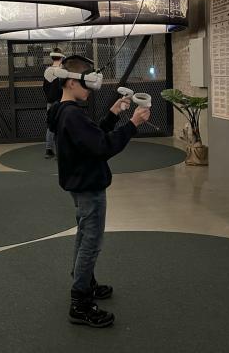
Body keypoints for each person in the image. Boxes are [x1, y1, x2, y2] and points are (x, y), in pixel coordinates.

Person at [47, 55, 150, 328]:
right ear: (71, 82)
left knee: (85, 234)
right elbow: (102, 147)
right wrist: (132, 124)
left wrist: (113, 114)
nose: (91, 90)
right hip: (88, 185)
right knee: (91, 242)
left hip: (79, 182)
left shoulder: (62, 111)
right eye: (87, 84)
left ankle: (85, 280)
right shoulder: (73, 115)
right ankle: (80, 302)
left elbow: (91, 139)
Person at [42, 47, 65, 159]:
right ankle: (60, 151)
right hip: (60, 102)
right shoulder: (62, 72)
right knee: (60, 126)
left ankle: (49, 150)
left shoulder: (47, 71)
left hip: (50, 102)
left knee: (51, 126)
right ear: (61, 57)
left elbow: (45, 88)